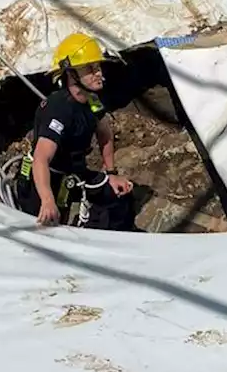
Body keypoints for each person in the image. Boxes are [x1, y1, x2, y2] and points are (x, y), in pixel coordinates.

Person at [14, 32, 136, 230]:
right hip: (43, 183)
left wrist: (111, 173)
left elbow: (105, 134)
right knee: (50, 229)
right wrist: (47, 200)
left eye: (97, 67)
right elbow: (41, 159)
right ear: (71, 74)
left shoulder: (93, 101)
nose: (98, 73)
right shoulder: (59, 109)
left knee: (119, 196)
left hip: (73, 174)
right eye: (90, 69)